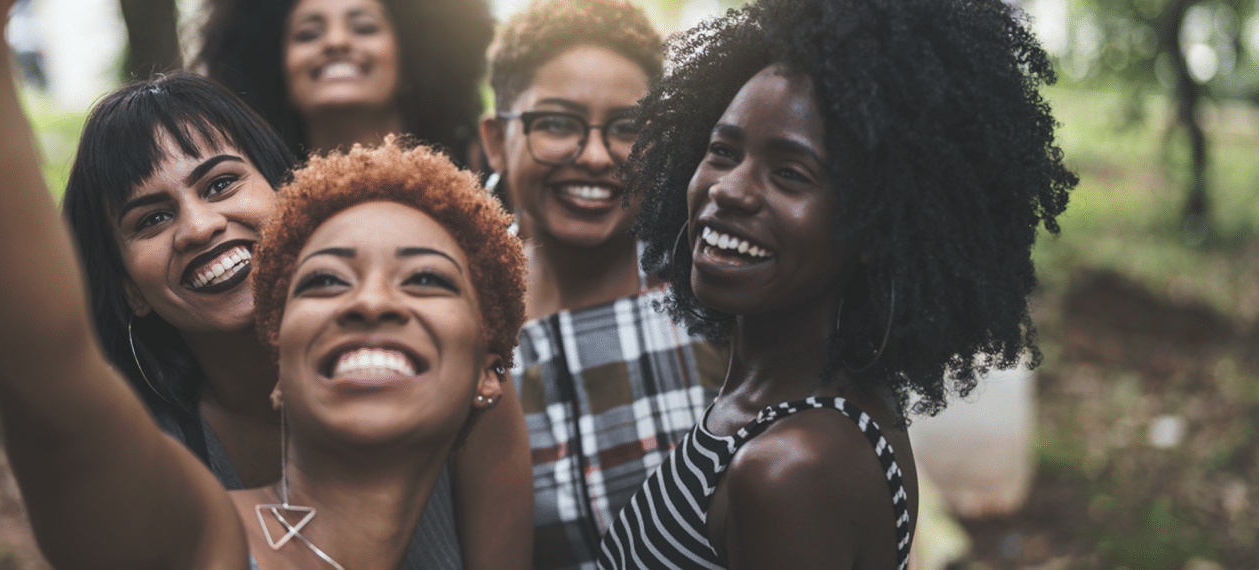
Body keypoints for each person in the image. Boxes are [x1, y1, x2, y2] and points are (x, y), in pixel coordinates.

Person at [0, 1, 527, 566]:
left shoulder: (468, 391)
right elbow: (48, 391)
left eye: (220, 184)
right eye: (152, 219)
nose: (199, 226)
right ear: (283, 380)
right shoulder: (195, 524)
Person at [597, 0, 1078, 568]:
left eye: (790, 173)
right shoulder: (802, 400)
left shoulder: (792, 469)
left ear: (875, 228)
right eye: (722, 151)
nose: (729, 190)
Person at [478, 1, 727, 568]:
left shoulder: (709, 288)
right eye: (557, 124)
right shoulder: (467, 319)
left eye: (629, 128)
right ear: (496, 140)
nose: (594, 157)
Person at [196, 0, 493, 163]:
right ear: (277, 74)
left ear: (411, 63)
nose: (336, 42)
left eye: (364, 28)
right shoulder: (259, 203)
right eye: (308, 34)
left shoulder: (487, 165)